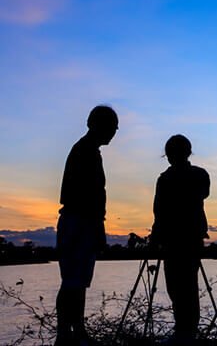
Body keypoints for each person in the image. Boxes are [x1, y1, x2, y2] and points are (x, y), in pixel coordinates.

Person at [56, 105, 118, 346]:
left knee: (77, 282)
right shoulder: (85, 152)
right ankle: (66, 334)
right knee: (73, 281)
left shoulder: (87, 150)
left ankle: (76, 332)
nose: (114, 132)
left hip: (80, 222)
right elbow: (89, 195)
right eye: (112, 127)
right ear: (99, 126)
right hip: (79, 222)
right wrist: (97, 226)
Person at [151, 134, 210, 343]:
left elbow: (159, 212)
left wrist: (155, 237)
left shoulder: (168, 179)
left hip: (178, 239)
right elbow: (159, 211)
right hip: (184, 238)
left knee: (180, 286)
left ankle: (185, 332)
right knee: (184, 286)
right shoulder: (198, 175)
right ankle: (185, 330)